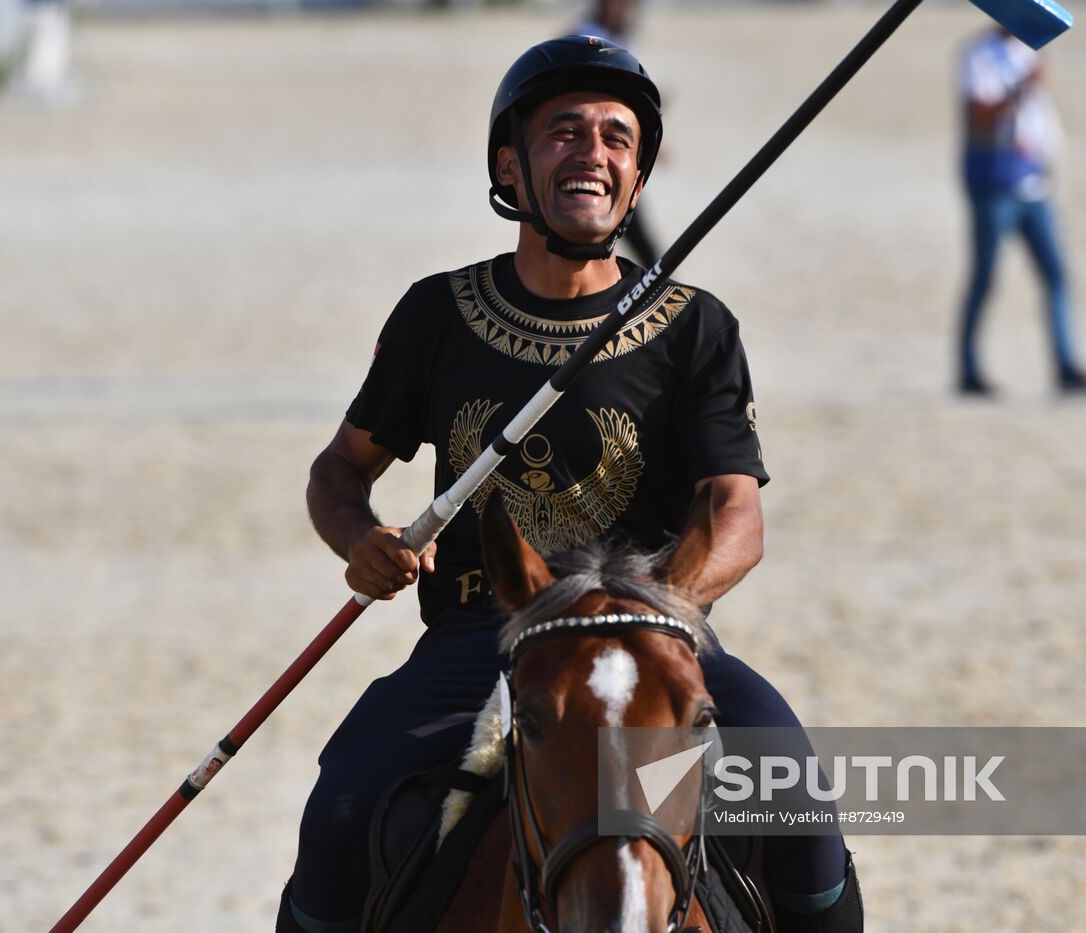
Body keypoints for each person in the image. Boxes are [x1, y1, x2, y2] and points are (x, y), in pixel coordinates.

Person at [280, 36, 861, 932]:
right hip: (480, 640)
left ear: (638, 176)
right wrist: (360, 540)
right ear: (510, 164)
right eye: (564, 132)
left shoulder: (693, 324)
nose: (593, 152)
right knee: (341, 811)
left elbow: (735, 511)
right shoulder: (438, 312)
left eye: (617, 138)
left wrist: (661, 607)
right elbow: (339, 470)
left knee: (804, 804)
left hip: (656, 642)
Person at [956, 26, 1086, 396]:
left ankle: (1066, 367)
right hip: (993, 184)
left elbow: (1039, 119)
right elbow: (979, 118)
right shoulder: (978, 54)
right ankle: (968, 369)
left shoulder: (1029, 49)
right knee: (985, 277)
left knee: (1055, 275)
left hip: (1034, 182)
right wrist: (1022, 86)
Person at [569, 0, 663, 266]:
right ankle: (659, 281)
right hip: (597, 150)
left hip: (617, 149)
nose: (626, 9)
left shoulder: (616, 38)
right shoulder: (591, 37)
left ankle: (658, 280)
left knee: (631, 229)